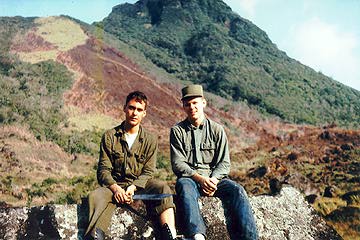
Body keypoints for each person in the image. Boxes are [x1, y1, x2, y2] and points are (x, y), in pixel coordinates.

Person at [85, 91, 177, 240]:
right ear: (124, 108)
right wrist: (116, 189)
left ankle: (169, 233)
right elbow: (103, 170)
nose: (135, 113)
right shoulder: (110, 136)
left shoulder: (150, 140)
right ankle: (96, 233)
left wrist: (133, 187)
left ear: (144, 113)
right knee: (95, 196)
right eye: (131, 108)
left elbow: (148, 171)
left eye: (139, 110)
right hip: (115, 184)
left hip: (140, 185)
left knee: (163, 188)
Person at [170, 85, 258, 240]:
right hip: (191, 179)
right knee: (183, 185)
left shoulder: (217, 130)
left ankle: (249, 237)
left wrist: (213, 181)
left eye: (195, 103)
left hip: (214, 180)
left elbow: (224, 163)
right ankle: (196, 235)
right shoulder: (177, 131)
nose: (192, 107)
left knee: (236, 189)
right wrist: (201, 179)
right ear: (183, 106)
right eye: (188, 104)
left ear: (203, 103)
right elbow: (178, 163)